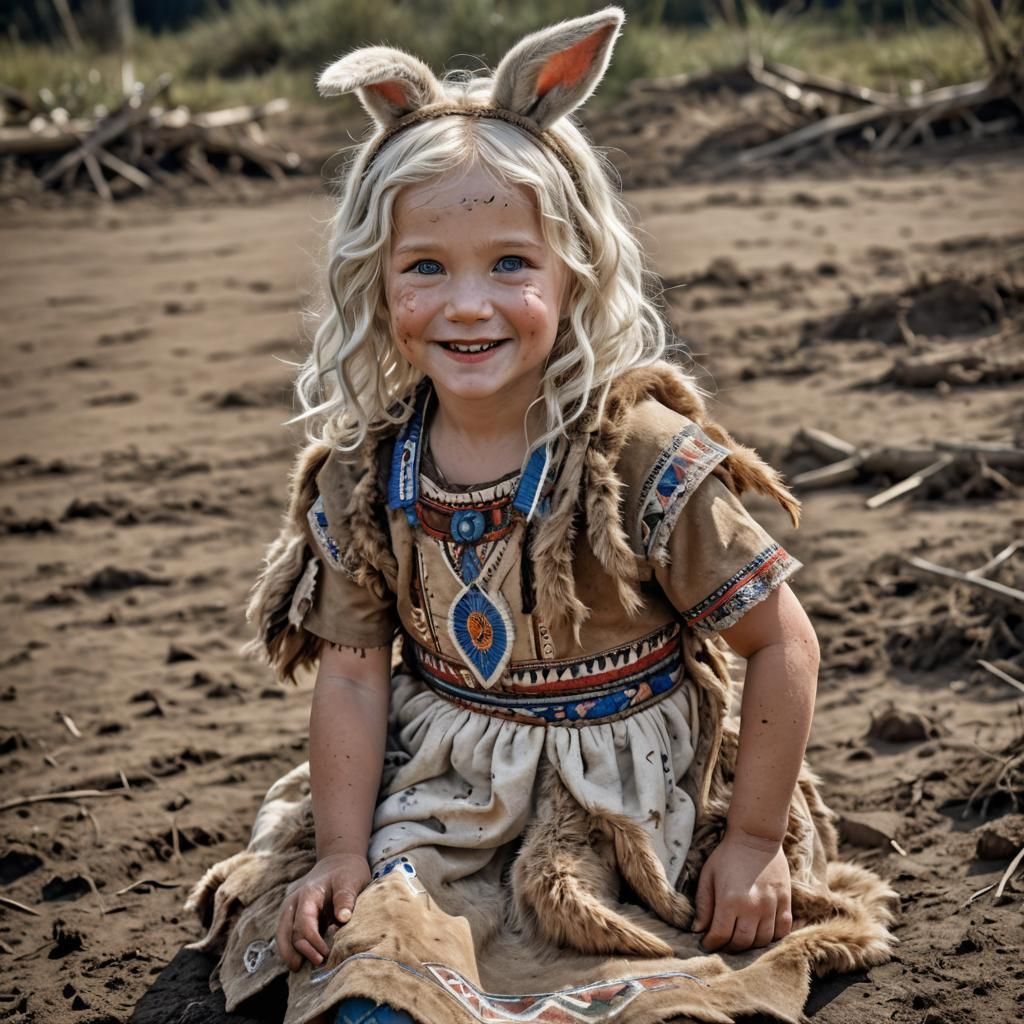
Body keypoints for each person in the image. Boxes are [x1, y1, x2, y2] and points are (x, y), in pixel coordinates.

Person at [187, 9, 894, 1024]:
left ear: (575, 270)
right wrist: (341, 851)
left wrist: (748, 842)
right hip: (445, 785)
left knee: (656, 988)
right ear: (376, 285)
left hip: (630, 788)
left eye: (510, 264)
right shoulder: (366, 472)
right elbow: (349, 672)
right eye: (424, 266)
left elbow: (779, 639)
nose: (467, 302)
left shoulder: (633, 455)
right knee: (374, 980)